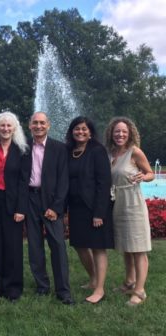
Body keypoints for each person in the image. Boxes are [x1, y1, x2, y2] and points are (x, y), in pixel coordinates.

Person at [24, 111, 74, 305]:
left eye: (42, 123)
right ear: (29, 125)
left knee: (58, 246)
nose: (38, 126)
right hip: (30, 199)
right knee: (35, 247)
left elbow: (64, 180)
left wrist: (57, 206)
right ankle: (42, 286)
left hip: (51, 202)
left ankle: (63, 290)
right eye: (35, 123)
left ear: (48, 125)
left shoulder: (59, 148)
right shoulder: (23, 147)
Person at [105, 117, 154, 306]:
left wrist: (144, 176)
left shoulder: (135, 152)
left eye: (124, 131)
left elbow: (150, 173)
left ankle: (140, 291)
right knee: (126, 246)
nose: (120, 134)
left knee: (138, 248)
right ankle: (129, 281)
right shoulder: (110, 153)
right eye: (117, 131)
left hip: (132, 203)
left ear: (130, 133)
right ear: (111, 133)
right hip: (117, 203)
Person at [65, 116, 114, 304]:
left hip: (94, 207)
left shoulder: (97, 151)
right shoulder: (69, 151)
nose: (80, 132)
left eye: (84, 129)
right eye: (77, 129)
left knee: (98, 248)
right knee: (79, 245)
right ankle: (93, 279)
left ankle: (100, 289)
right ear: (72, 132)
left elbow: (104, 183)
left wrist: (99, 213)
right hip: (76, 207)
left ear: (90, 132)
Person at [0, 111, 28, 302]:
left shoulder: (22, 150)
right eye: (2, 125)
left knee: (13, 246)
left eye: (9, 125)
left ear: (15, 128)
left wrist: (21, 208)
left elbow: (24, 182)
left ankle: (13, 287)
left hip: (13, 202)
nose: (5, 128)